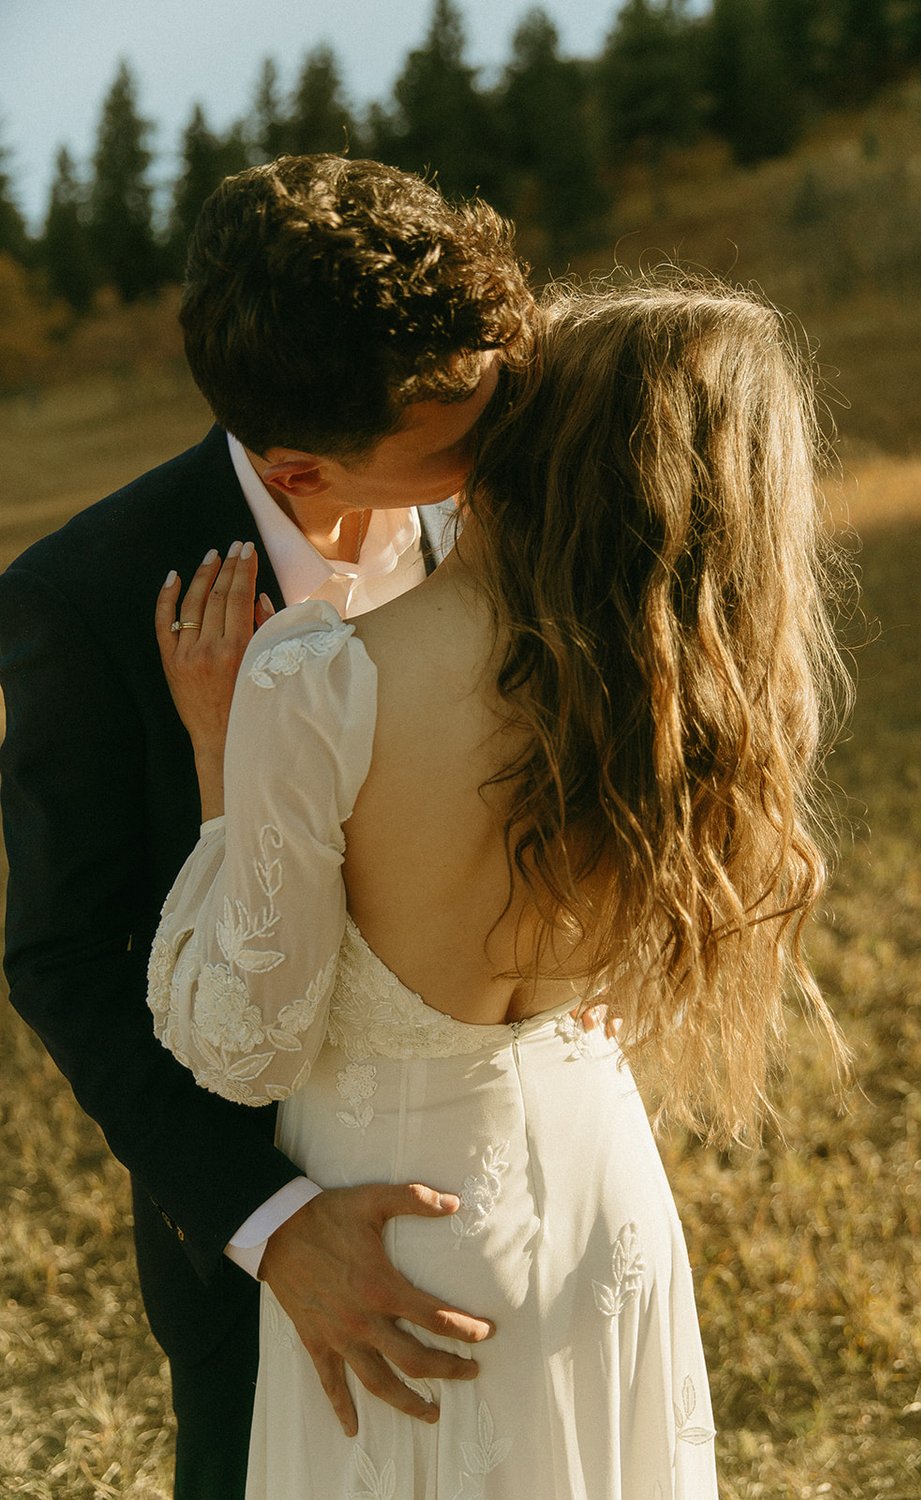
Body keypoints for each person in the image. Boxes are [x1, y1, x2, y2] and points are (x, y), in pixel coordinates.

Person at [148, 278, 850, 1497]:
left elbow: (242, 1046)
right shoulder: (671, 692)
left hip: (394, 1246)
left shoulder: (315, 675)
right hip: (599, 1198)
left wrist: (222, 774)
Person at [0, 154, 535, 1498]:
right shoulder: (87, 600)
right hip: (270, 1247)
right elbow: (63, 958)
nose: (505, 428)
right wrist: (271, 1224)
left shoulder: (513, 511)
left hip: (511, 1172)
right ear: (300, 466)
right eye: (460, 424)